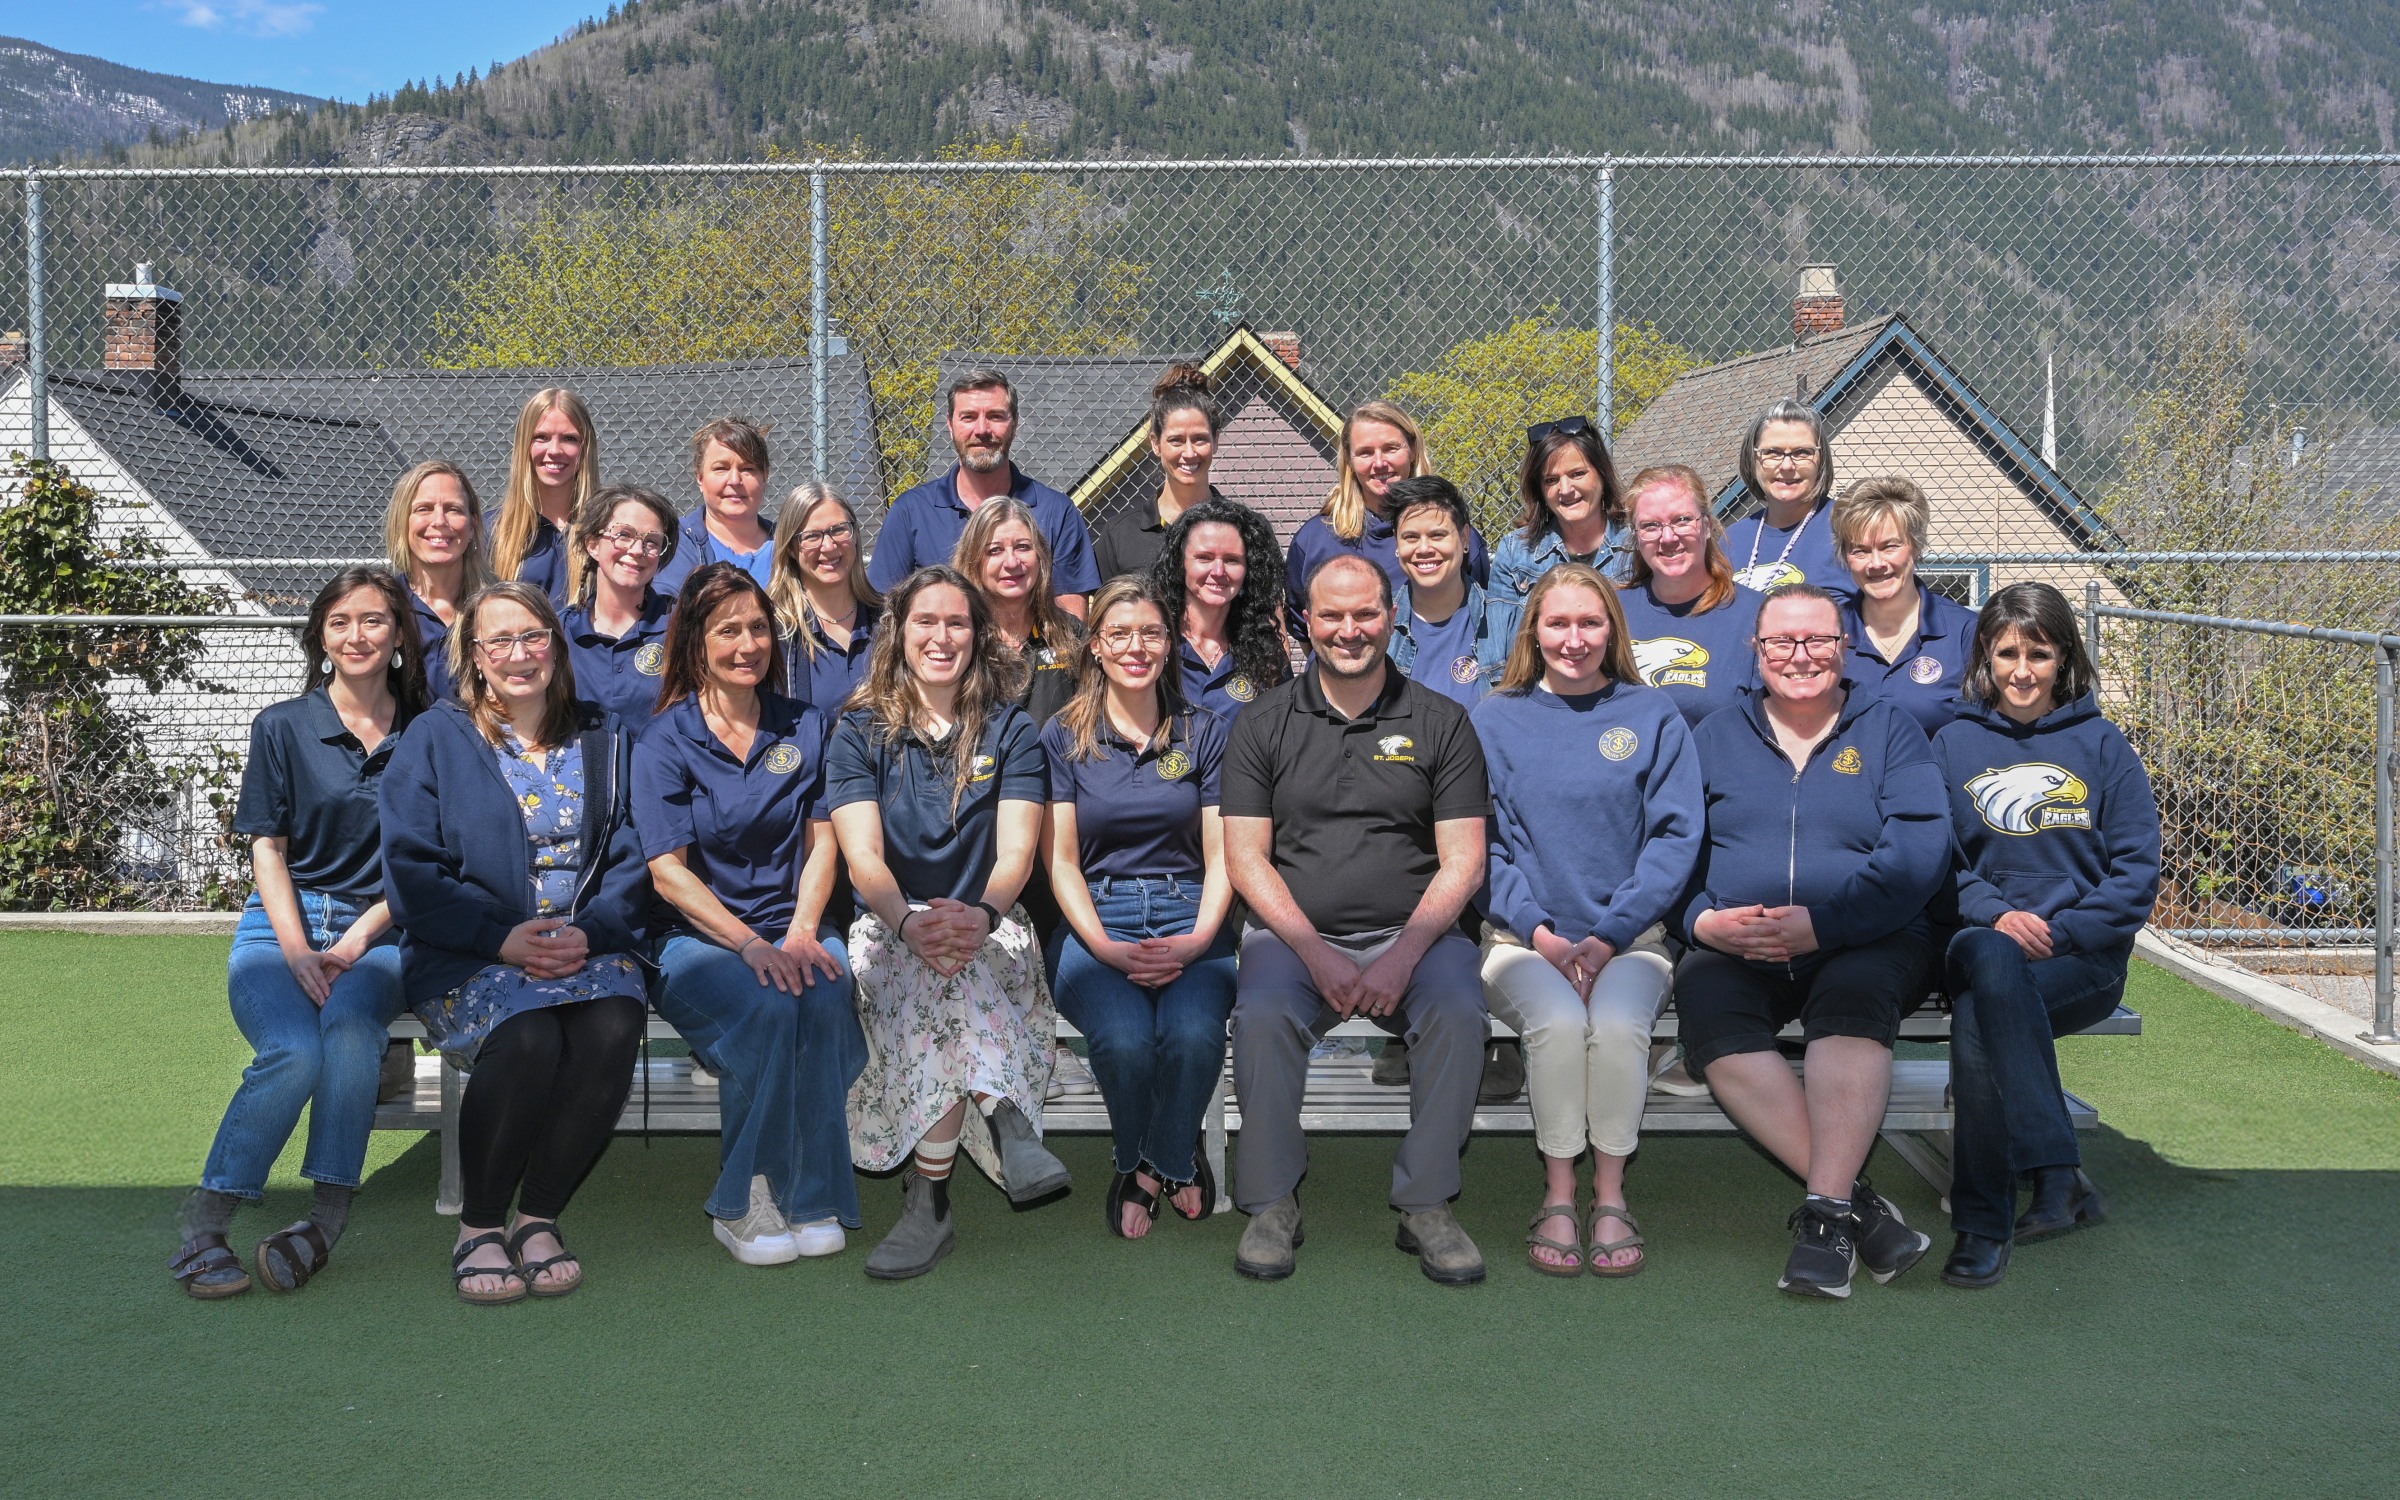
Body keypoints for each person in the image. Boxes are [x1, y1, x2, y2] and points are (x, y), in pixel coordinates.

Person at [1221, 554, 1493, 1285]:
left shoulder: (1443, 721)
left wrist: (1405, 952)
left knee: (1460, 1013)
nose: (1350, 631)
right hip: (1295, 935)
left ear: (1392, 616)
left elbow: (1463, 861)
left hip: (1420, 935)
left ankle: (1426, 1201)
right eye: (1332, 615)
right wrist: (1315, 953)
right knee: (1263, 1016)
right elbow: (1246, 859)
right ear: (1304, 621)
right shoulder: (1262, 722)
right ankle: (1272, 1202)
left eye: (1366, 613)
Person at [1675, 585, 1951, 1299]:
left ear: (1846, 646)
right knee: (1708, 1005)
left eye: (1818, 641)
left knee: (1853, 1000)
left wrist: (1825, 924)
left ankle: (1825, 1218)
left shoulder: (1890, 730)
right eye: (1782, 643)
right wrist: (1704, 922)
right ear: (1757, 650)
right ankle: (1857, 1205)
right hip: (1739, 942)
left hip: (1869, 937)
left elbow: (1919, 852)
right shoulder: (1713, 735)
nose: (1801, 657)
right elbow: (1670, 848)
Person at [380, 581, 651, 1305]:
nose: (518, 654)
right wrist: (502, 940)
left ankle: (538, 1216)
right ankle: (479, 1224)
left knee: (613, 1023)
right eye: (498, 641)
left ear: (556, 647)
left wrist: (589, 932)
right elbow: (411, 870)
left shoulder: (605, 734)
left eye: (532, 637)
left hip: (590, 946)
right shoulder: (434, 738)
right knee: (530, 1037)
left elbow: (635, 857)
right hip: (473, 953)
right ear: (473, 656)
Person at [170, 568, 427, 1300]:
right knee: (293, 1049)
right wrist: (295, 949)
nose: (357, 635)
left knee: (350, 1035)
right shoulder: (282, 725)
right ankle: (206, 1222)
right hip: (277, 926)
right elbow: (267, 850)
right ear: (320, 635)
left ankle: (324, 1222)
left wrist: (352, 945)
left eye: (374, 620)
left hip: (381, 933)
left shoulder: (431, 729)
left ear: (399, 635)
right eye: (340, 621)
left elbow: (423, 864)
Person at [825, 566, 1068, 1280]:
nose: (940, 636)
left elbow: (1019, 849)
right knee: (934, 973)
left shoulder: (1011, 726)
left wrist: (984, 913)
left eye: (956, 623)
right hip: (889, 922)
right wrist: (908, 922)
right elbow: (862, 855)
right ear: (899, 633)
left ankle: (927, 1202)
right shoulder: (859, 729)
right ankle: (1004, 1114)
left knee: (959, 970)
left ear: (978, 635)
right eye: (925, 622)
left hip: (991, 919)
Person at [1471, 564, 1703, 1276]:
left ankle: (1610, 1196)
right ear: (1533, 632)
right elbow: (1481, 844)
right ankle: (1559, 1192)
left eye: (1590, 623)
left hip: (1631, 942)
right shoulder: (1494, 716)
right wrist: (1541, 932)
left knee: (1620, 1026)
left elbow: (1675, 838)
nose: (1574, 639)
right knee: (1563, 1025)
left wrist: (1607, 936)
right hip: (1519, 942)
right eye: (1559, 623)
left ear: (1613, 631)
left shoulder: (1651, 715)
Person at [634, 564, 866, 1266]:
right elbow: (668, 875)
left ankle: (810, 1193)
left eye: (758, 627)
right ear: (696, 643)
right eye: (727, 629)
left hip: (793, 922)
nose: (747, 643)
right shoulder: (665, 741)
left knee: (825, 990)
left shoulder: (808, 727)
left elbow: (825, 842)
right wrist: (751, 946)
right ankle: (747, 1200)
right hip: (695, 938)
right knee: (767, 1004)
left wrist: (799, 932)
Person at [1933, 583, 2159, 1289]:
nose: (2022, 669)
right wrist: (1995, 914)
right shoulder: (1951, 743)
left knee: (1979, 1018)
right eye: (2007, 652)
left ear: (2064, 658)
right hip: (1978, 938)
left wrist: (2060, 935)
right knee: (1992, 962)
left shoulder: (2103, 745)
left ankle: (1984, 1220)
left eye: (2039, 652)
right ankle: (2054, 1177)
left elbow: (2136, 871)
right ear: (1984, 657)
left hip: (2082, 962)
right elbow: (1937, 863)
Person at [1040, 578, 1237, 1237]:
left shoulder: (1203, 732)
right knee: (1124, 1042)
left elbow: (1221, 854)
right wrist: (1102, 946)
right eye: (1119, 634)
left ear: (1171, 642)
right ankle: (1166, 1160)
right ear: (1095, 646)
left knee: (1191, 1034)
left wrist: (1200, 937)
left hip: (1191, 914)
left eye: (1150, 633)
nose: (1135, 647)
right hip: (1097, 917)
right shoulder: (1063, 735)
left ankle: (1149, 1167)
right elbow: (1061, 860)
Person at [866, 368, 1100, 616]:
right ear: (950, 424)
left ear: (1015, 423)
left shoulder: (1056, 512)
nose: (982, 430)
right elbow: (884, 614)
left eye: (995, 416)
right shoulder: (911, 512)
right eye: (968, 417)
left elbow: (1070, 621)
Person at [1283, 401, 1489, 634]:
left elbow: (1479, 612)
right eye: (1365, 452)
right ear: (1350, 460)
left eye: (1391, 448)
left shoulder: (1458, 536)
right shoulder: (1314, 540)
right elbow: (1305, 630)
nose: (1379, 463)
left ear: (1412, 450)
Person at [1615, 464, 1764, 728]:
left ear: (1706, 526)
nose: (1668, 537)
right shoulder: (1611, 612)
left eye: (1682, 520)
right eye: (1651, 526)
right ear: (1636, 537)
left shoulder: (1757, 615)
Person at [1834, 476, 1979, 736]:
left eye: (1890, 547)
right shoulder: (1827, 631)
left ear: (1915, 547)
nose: (1876, 563)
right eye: (1861, 551)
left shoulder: (1964, 632)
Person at [1148, 495, 1291, 723]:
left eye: (1232, 560)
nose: (1218, 571)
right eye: (1204, 558)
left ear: (1248, 569)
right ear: (1180, 563)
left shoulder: (1265, 652)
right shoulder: (1152, 642)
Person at [1385, 475, 1520, 710]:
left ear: (1465, 537)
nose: (1424, 549)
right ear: (1397, 545)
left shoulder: (1510, 622)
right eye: (1411, 537)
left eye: (1438, 535)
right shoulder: (1379, 623)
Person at [954, 497, 1086, 728]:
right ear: (973, 560)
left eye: (1022, 547)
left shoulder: (1070, 633)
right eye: (994, 550)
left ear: (1040, 556)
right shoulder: (959, 637)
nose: (1012, 562)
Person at [1091, 363, 1225, 583]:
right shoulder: (1120, 535)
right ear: (1155, 443)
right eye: (1176, 440)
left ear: (1215, 440)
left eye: (1200, 439)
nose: (1189, 453)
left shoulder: (1245, 529)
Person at [560, 485, 679, 725]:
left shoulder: (681, 626)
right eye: (624, 534)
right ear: (592, 545)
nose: (637, 550)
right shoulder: (559, 632)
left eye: (652, 541)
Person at [768, 481, 882, 725]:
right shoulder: (774, 633)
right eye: (811, 536)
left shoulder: (889, 621)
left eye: (839, 530)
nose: (829, 546)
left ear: (855, 535)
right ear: (790, 548)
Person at [385, 459, 493, 703]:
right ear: (403, 521)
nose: (439, 521)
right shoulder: (384, 606)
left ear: (473, 525)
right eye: (423, 509)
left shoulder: (498, 608)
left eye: (453, 509)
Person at [1489, 416, 1626, 605]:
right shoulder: (1515, 552)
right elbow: (1500, 632)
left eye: (1577, 474)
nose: (1566, 489)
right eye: (1551, 480)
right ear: (1540, 490)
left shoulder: (1637, 546)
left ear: (1602, 475)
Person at [1721, 399, 1849, 599]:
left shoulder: (1849, 528)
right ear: (1752, 459)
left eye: (1802, 452)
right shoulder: (1733, 540)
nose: (1787, 466)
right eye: (1772, 452)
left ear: (1821, 460)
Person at [489, 387, 598, 606]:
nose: (555, 450)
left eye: (569, 438)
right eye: (541, 437)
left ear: (585, 448)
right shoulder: (491, 533)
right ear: (524, 446)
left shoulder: (607, 531)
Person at [654, 417, 778, 596]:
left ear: (765, 475)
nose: (735, 480)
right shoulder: (676, 543)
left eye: (748, 469)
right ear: (700, 477)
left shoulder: (787, 546)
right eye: (721, 468)